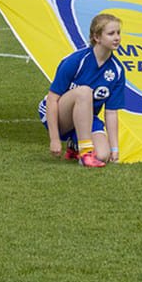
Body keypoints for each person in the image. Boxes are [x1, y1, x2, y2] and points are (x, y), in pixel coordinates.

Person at [38, 13, 124, 168]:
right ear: (97, 37)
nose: (117, 37)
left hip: (85, 117)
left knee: (103, 155)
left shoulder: (117, 70)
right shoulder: (76, 60)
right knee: (84, 92)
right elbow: (52, 99)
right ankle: (85, 153)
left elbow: (111, 112)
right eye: (111, 34)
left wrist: (114, 149)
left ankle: (75, 145)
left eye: (118, 33)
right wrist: (54, 139)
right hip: (57, 113)